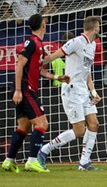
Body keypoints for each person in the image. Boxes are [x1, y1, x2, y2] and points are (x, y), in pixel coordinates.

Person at [1, 14, 69, 173]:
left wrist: (58, 77)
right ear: (43, 25)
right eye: (45, 22)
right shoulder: (31, 42)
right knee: (42, 124)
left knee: (23, 127)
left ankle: (8, 161)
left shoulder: (38, 45)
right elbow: (19, 65)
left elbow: (41, 71)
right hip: (25, 89)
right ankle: (32, 161)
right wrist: (18, 90)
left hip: (26, 89)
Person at [37, 16, 102, 171]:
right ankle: (44, 150)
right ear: (95, 27)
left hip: (83, 91)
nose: (100, 29)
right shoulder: (76, 42)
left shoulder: (92, 45)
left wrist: (93, 91)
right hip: (71, 89)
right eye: (99, 26)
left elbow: (87, 72)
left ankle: (84, 163)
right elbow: (55, 55)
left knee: (94, 124)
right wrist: (37, 64)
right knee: (79, 130)